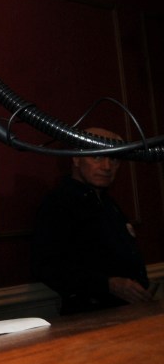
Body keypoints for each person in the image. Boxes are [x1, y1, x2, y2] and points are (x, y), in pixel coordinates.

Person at [32, 127, 153, 315]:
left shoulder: (108, 203)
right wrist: (108, 284)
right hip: (88, 316)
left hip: (128, 313)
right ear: (76, 158)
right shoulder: (58, 203)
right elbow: (48, 267)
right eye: (96, 157)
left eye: (113, 158)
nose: (106, 166)